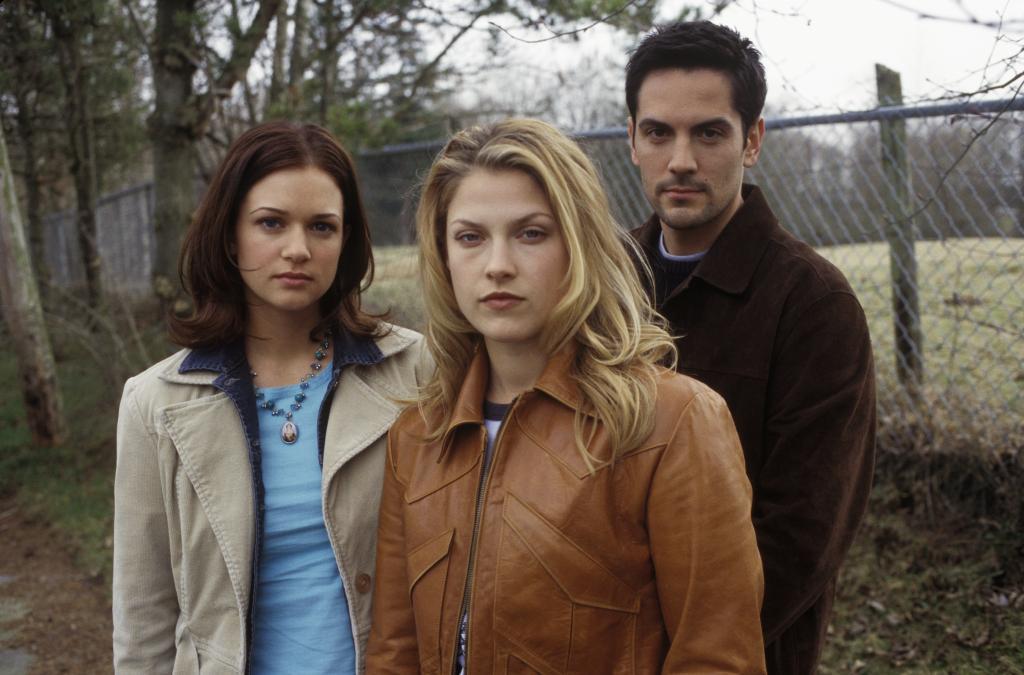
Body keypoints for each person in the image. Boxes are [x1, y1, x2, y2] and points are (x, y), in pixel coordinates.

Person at [365, 118, 766, 674]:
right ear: (443, 255)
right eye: (470, 237)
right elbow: (394, 654)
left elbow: (717, 657)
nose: (497, 266)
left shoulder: (670, 422)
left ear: (578, 245)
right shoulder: (417, 437)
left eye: (531, 233)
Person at [112, 121, 429, 674]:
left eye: (322, 226)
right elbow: (143, 622)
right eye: (271, 223)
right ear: (230, 235)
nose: (297, 249)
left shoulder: (415, 370)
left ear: (346, 241)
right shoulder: (154, 403)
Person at [625, 21, 877, 674]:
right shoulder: (599, 283)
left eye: (709, 133)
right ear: (632, 139)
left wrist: (684, 650)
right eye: (659, 132)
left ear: (753, 140)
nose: (681, 160)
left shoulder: (813, 303)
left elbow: (803, 538)